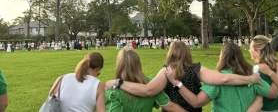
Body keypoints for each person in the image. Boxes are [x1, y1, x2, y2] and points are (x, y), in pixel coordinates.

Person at [105, 41, 261, 112]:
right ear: (188, 52)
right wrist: (250, 79)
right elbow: (224, 79)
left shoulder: (166, 72)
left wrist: (118, 82)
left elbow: (148, 91)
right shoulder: (197, 69)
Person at [165, 43, 275, 111]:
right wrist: (259, 96)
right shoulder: (252, 76)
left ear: (222, 56)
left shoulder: (217, 79)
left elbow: (197, 102)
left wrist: (177, 83)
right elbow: (273, 93)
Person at [105, 47, 186, 112]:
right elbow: (169, 106)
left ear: (119, 65)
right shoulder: (151, 83)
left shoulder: (113, 93)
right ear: (138, 64)